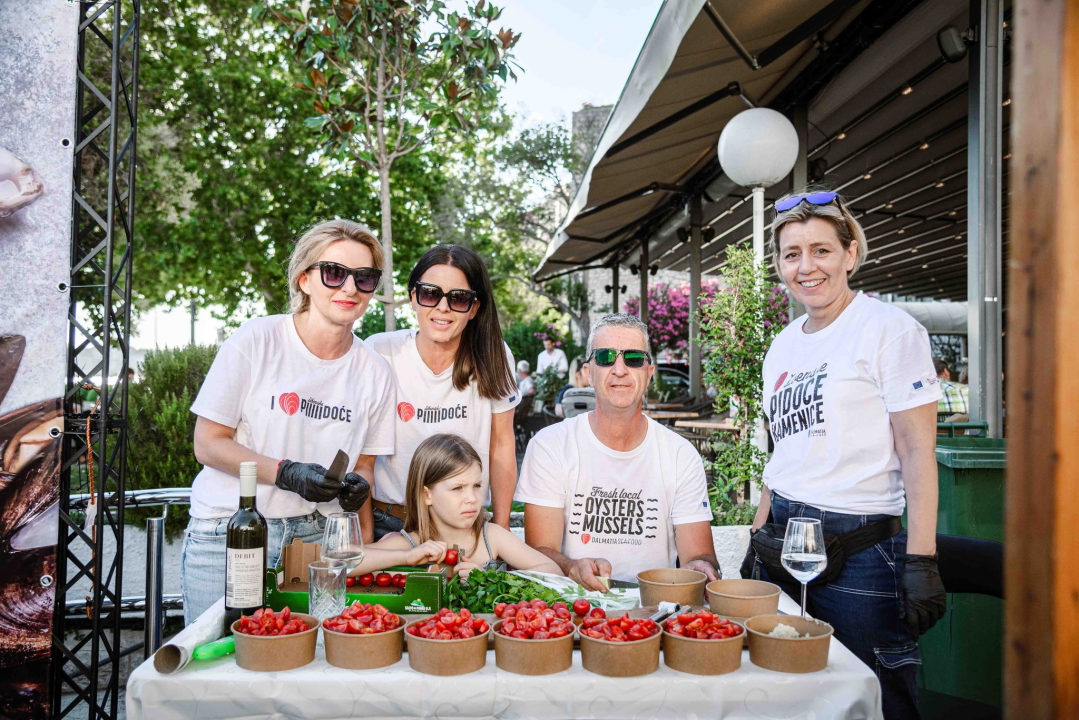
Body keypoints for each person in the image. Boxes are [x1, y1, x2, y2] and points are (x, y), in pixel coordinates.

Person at [750, 189, 946, 719]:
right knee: (783, 690)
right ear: (779, 265)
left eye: (821, 250)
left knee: (874, 695)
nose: (806, 267)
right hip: (780, 540)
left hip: (860, 548)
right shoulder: (783, 344)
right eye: (792, 254)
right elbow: (782, 448)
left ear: (850, 254)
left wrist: (920, 559)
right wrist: (757, 531)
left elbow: (916, 449)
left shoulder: (889, 329)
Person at [182, 219, 395, 625]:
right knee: (217, 671)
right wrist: (286, 473)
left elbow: (365, 464)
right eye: (334, 273)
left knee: (306, 671)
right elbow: (208, 443)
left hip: (319, 541)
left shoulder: (375, 371)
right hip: (231, 533)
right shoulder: (255, 340)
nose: (349, 288)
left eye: (364, 278)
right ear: (304, 280)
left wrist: (359, 490)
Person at [518, 313, 720, 590]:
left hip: (652, 611)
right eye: (605, 357)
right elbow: (539, 551)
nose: (620, 369)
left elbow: (698, 555)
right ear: (588, 373)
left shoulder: (680, 455)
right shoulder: (550, 446)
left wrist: (702, 566)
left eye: (634, 358)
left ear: (649, 374)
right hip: (573, 607)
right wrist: (571, 567)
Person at [366, 245, 519, 540]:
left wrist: (501, 530)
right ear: (413, 298)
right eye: (430, 293)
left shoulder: (495, 355)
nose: (442, 307)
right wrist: (364, 532)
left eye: (458, 298)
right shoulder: (380, 352)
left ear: (474, 308)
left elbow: (502, 445)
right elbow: (363, 455)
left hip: (467, 528)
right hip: (389, 523)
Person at [348, 434, 562, 579]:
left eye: (476, 486)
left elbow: (553, 571)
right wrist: (404, 557)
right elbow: (341, 563)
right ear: (427, 495)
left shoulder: (491, 537)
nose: (471, 498)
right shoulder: (413, 543)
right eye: (458, 488)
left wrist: (492, 580)